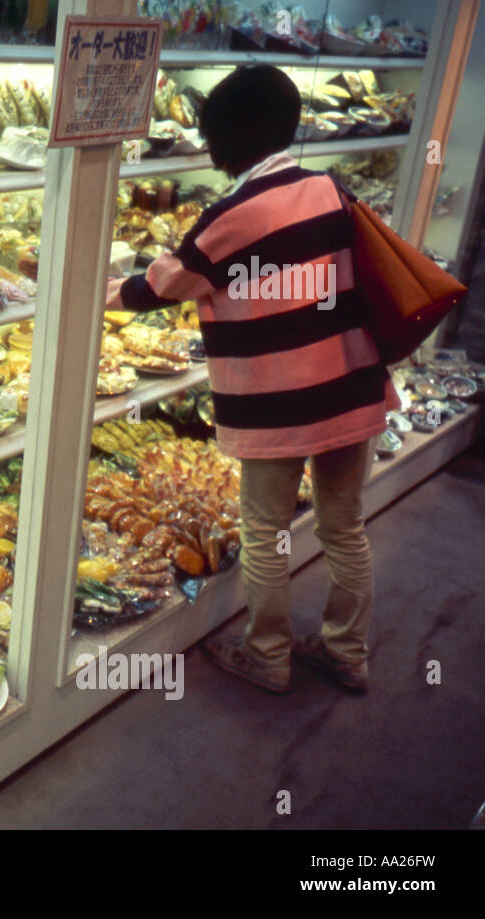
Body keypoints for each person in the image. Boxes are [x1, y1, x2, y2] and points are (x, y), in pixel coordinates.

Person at [104, 66, 399, 694]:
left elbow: (162, 286)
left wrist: (89, 291)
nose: (208, 154)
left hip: (281, 404)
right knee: (344, 526)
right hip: (350, 388)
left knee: (264, 532)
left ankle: (269, 656)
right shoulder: (330, 190)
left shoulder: (231, 215)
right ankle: (348, 651)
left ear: (236, 138)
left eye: (211, 140)